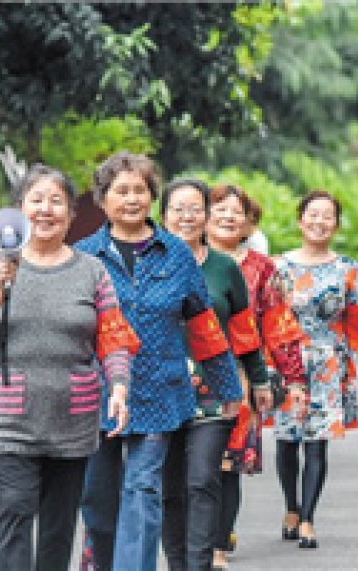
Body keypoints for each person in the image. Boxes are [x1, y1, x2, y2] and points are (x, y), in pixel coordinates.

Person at [0, 164, 140, 571]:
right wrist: (1, 289)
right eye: (36, 200)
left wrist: (119, 387)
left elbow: (113, 337)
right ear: (20, 210)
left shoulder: (92, 271)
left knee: (59, 528)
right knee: (16, 512)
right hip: (12, 419)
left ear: (71, 214)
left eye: (56, 201)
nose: (46, 210)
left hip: (72, 420)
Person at [76, 152, 243, 571]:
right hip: (96, 394)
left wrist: (229, 389)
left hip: (160, 392)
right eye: (122, 191)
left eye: (140, 190)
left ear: (152, 197)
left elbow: (204, 326)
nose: (132, 199)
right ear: (103, 199)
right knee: (97, 499)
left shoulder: (176, 254)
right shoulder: (83, 256)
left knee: (143, 488)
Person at [159, 179, 272, 571]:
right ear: (163, 216)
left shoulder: (224, 269)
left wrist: (259, 380)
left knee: (203, 478)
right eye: (178, 209)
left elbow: (243, 331)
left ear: (205, 216)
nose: (187, 217)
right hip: (160, 389)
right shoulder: (148, 264)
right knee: (170, 487)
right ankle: (177, 562)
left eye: (195, 209)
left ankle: (199, 564)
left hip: (214, 389)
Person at [204, 184, 309, 566]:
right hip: (187, 376)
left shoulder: (262, 270)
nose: (228, 217)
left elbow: (279, 326)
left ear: (249, 224)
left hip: (240, 378)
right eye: (220, 209)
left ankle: (217, 545)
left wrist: (294, 381)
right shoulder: (183, 259)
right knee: (193, 467)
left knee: (227, 465)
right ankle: (197, 540)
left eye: (238, 212)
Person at [272, 189, 358, 548]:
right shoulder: (278, 267)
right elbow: (266, 319)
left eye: (327, 216)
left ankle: (307, 519)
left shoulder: (348, 269)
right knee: (287, 442)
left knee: (317, 445)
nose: (319, 222)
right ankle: (291, 507)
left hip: (329, 366)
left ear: (336, 224)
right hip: (287, 364)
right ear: (300, 220)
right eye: (313, 215)